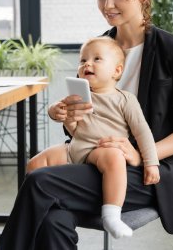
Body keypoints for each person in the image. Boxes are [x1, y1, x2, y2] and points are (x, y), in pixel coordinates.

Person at [0, 0, 173, 250]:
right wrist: (69, 120)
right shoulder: (98, 50)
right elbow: (86, 125)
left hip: (152, 171)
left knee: (41, 182)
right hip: (97, 160)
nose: (108, 5)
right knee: (54, 218)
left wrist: (142, 154)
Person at [26, 36, 160, 239]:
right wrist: (57, 112)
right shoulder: (79, 94)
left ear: (117, 71)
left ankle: (111, 214)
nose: (87, 63)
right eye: (82, 60)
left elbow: (143, 132)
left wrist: (151, 163)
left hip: (101, 149)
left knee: (115, 158)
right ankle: (38, 212)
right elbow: (70, 125)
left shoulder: (125, 100)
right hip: (75, 147)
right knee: (35, 165)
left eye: (97, 59)